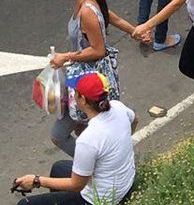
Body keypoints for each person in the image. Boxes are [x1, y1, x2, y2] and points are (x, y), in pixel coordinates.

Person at [47, 0, 136, 154]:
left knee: (59, 135)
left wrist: (66, 57)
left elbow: (98, 50)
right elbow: (112, 17)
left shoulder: (87, 11)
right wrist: (135, 31)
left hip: (88, 84)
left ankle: (97, 164)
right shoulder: (89, 3)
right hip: (86, 79)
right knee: (85, 128)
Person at [12, 72, 136, 204]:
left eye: (75, 92)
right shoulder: (118, 107)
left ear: (82, 100)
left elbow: (76, 185)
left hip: (102, 200)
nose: (72, 95)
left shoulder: (88, 139)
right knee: (58, 168)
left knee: (24, 204)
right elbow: (134, 120)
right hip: (125, 184)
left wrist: (36, 180)